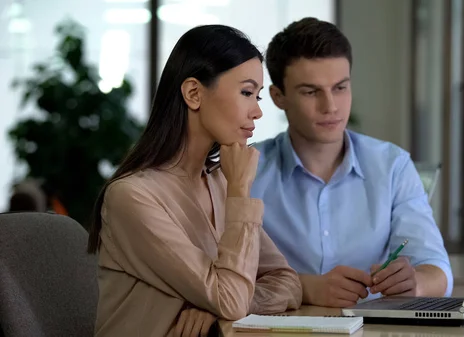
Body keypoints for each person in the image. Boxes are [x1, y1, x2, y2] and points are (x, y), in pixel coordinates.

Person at [87, 25, 302, 337]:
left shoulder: (218, 182)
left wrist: (219, 305)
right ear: (193, 93)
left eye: (257, 96)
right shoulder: (132, 197)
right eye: (246, 92)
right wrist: (241, 194)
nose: (256, 111)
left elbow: (286, 281)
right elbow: (229, 300)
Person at [250, 17, 453, 308]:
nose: (330, 106)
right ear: (278, 97)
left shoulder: (392, 166)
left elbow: (437, 268)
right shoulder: (248, 171)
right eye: (311, 92)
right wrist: (306, 288)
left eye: (340, 88)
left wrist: (416, 282)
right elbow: (220, 275)